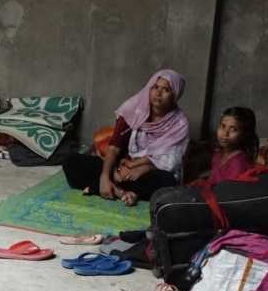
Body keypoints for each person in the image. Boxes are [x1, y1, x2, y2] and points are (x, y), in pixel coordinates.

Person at [62, 70, 190, 206]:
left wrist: (145, 168)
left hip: (149, 174)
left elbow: (172, 162)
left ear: (175, 94)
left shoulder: (180, 124)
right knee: (70, 162)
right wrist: (106, 176)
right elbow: (114, 148)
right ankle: (122, 192)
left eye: (166, 89)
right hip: (120, 168)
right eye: (155, 87)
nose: (158, 93)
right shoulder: (133, 111)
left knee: (168, 181)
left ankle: (107, 189)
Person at [188, 106, 258, 187]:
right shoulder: (218, 157)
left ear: (245, 134)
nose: (225, 133)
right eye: (222, 126)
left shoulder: (238, 163)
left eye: (233, 129)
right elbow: (212, 183)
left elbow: (230, 194)